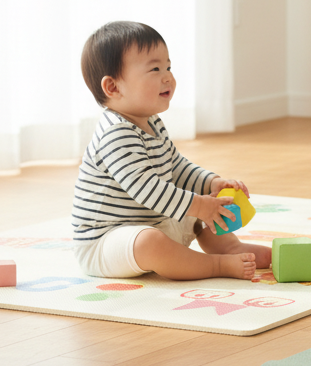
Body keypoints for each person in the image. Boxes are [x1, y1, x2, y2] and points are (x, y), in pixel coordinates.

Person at [72, 20, 272, 280]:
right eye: (155, 69)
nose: (168, 77)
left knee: (201, 204)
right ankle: (216, 265)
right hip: (106, 243)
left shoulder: (152, 122)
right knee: (154, 240)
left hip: (150, 222)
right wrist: (199, 205)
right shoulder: (115, 133)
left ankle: (230, 247)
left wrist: (210, 183)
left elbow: (176, 167)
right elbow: (147, 188)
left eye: (168, 67)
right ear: (113, 87)